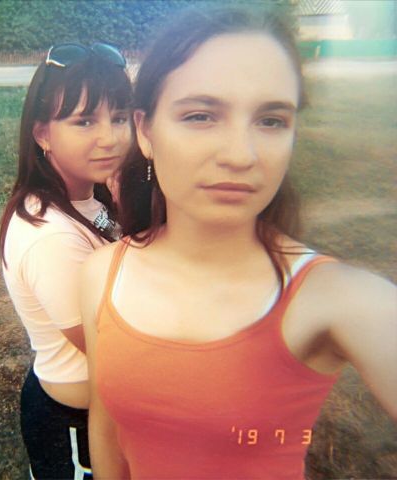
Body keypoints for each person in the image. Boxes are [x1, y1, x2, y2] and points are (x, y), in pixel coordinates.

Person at [80, 5, 397, 479]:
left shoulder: (337, 300)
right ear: (145, 131)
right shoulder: (103, 274)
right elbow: (106, 429)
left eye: (271, 121)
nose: (241, 155)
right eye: (201, 115)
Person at [0, 42, 132, 479]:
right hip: (76, 428)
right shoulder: (50, 235)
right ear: (42, 134)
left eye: (119, 118)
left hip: (105, 411)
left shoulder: (92, 197)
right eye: (84, 121)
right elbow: (113, 347)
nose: (110, 138)